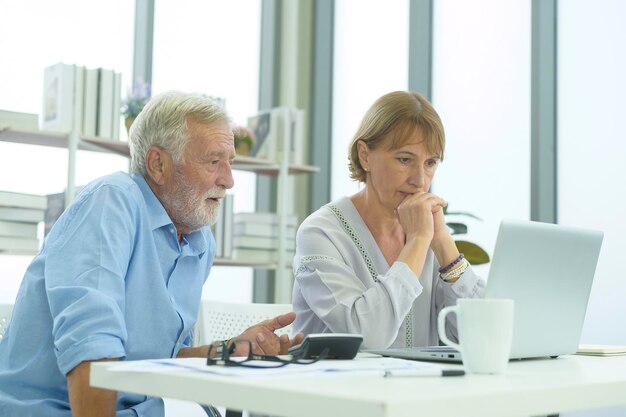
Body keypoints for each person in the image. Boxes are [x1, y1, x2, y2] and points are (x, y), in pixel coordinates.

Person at [0, 91, 304, 417]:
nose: (228, 180)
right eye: (214, 162)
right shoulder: (112, 202)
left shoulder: (199, 241)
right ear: (158, 164)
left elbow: (165, 359)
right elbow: (91, 347)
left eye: (230, 163)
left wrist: (231, 349)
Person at [292, 91, 486, 349]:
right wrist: (417, 242)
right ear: (365, 155)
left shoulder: (427, 232)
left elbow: (484, 335)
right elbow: (368, 338)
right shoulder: (321, 233)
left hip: (416, 388)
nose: (420, 180)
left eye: (430, 163)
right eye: (404, 160)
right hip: (336, 387)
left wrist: (442, 244)